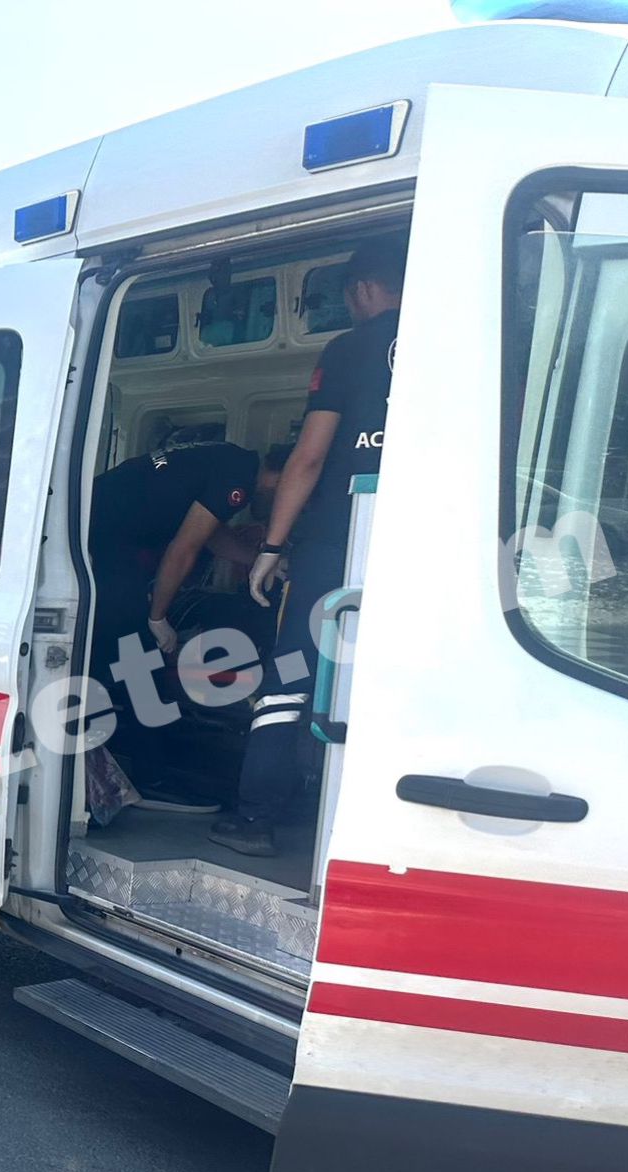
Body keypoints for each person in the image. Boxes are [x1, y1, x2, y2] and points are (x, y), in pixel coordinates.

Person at [210, 238, 406, 859]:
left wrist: (271, 547)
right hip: (424, 542)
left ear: (361, 291)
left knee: (292, 674)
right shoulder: (468, 337)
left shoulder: (351, 349)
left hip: (337, 541)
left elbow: (310, 458)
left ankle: (256, 818)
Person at [87, 440, 282, 807]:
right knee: (137, 654)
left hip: (102, 533)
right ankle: (149, 774)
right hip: (104, 539)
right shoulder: (237, 477)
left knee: (123, 655)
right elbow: (184, 548)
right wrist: (158, 618)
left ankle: (136, 765)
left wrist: (265, 560)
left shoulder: (229, 459)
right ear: (276, 475)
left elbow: (211, 534)